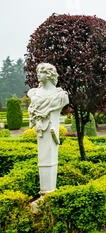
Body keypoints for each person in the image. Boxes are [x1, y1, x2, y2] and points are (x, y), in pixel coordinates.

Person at [28, 63, 69, 195]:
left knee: (50, 157)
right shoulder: (33, 93)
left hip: (50, 130)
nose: (38, 74)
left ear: (50, 74)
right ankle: (44, 191)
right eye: (38, 71)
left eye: (42, 72)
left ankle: (50, 190)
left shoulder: (60, 95)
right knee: (43, 159)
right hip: (41, 130)